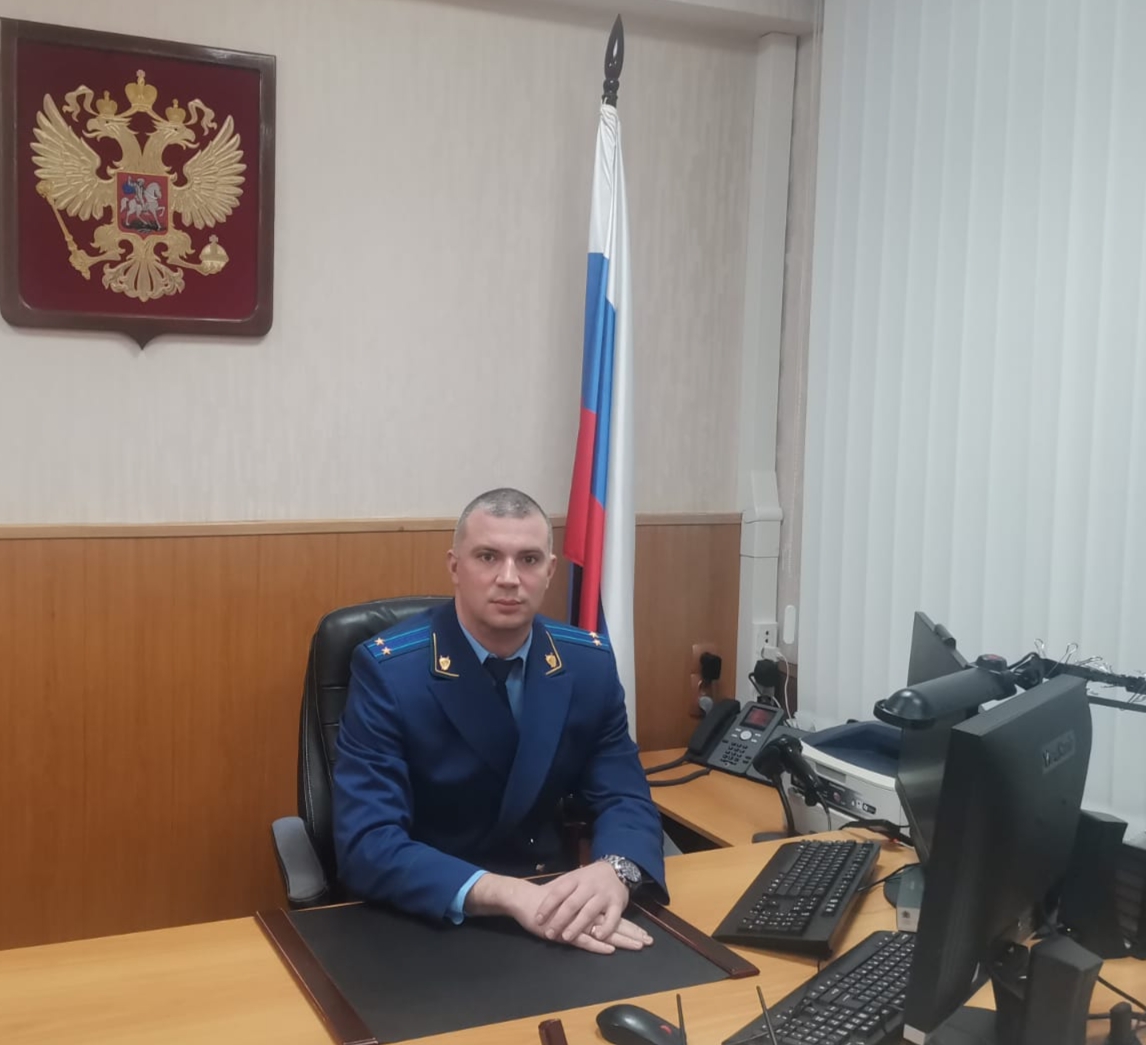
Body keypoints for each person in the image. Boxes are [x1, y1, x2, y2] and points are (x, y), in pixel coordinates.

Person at [333, 487, 667, 955]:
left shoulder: (586, 663)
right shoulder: (390, 673)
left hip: (557, 902)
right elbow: (368, 842)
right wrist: (508, 894)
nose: (509, 578)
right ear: (455, 566)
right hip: (432, 912)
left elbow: (625, 795)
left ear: (550, 571)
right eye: (488, 557)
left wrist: (616, 869)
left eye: (528, 559)